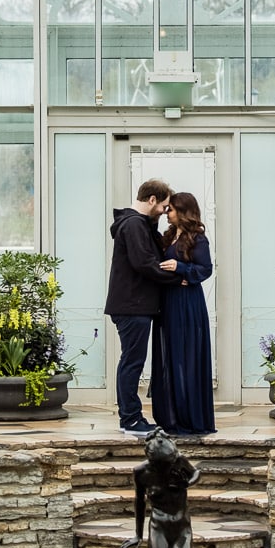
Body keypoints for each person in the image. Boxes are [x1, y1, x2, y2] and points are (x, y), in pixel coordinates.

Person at [105, 178, 178, 437]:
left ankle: (131, 417)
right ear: (152, 200)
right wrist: (178, 277)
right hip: (132, 305)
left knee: (132, 360)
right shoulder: (135, 225)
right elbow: (145, 264)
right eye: (164, 206)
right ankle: (130, 419)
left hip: (134, 304)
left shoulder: (139, 224)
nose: (165, 212)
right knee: (132, 362)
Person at [150, 191, 215, 437]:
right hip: (168, 303)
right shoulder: (167, 236)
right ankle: (170, 415)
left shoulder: (198, 238)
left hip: (188, 305)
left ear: (183, 211)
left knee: (187, 357)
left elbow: (205, 269)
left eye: (172, 209)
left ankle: (191, 416)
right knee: (170, 355)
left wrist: (182, 269)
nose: (168, 213)